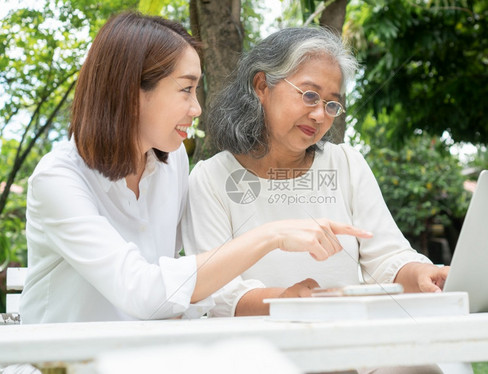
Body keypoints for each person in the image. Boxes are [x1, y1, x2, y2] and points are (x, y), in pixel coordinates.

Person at [19, 13, 371, 324]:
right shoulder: (59, 180)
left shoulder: (171, 165)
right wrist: (272, 235)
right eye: (186, 89)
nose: (196, 108)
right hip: (62, 362)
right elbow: (142, 291)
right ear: (132, 91)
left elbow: (185, 286)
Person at [183, 27, 450, 318]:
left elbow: (388, 258)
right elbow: (218, 294)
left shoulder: (346, 164)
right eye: (310, 95)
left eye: (331, 103)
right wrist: (284, 302)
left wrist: (422, 273)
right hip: (259, 352)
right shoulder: (211, 178)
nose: (320, 114)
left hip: (348, 343)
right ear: (262, 86)